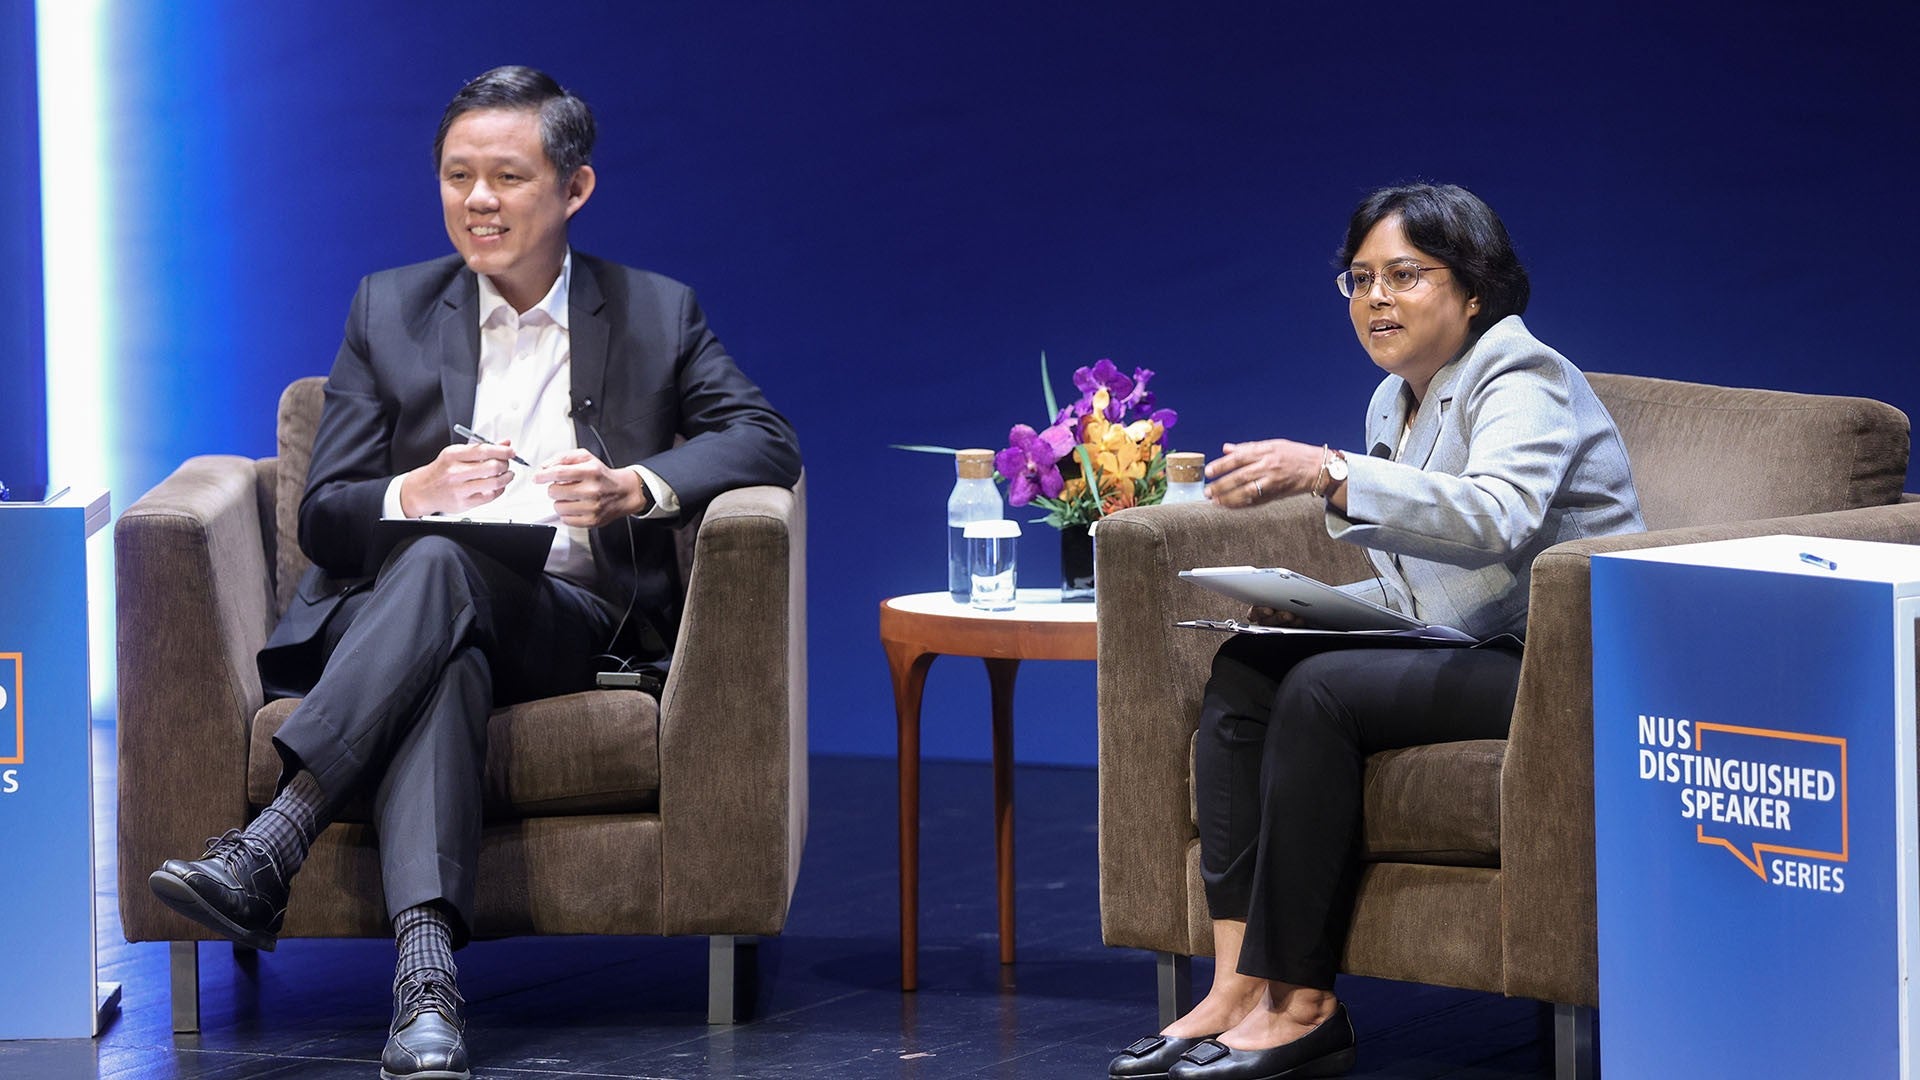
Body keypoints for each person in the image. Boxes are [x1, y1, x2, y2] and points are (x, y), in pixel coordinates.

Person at [148, 66, 801, 1080]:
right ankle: (427, 991)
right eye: (457, 176)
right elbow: (323, 515)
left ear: (574, 189)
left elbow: (766, 441)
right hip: (405, 622)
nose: (479, 201)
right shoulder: (391, 307)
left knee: (450, 572)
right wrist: (415, 491)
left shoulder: (652, 313)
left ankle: (277, 836)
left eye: (506, 176)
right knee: (445, 616)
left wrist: (635, 485)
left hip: (570, 620)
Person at [1107, 183, 1643, 1080]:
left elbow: (1499, 517)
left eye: (1405, 275)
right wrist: (1320, 604)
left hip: (1558, 663)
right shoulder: (1392, 401)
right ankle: (1239, 980)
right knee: (1248, 667)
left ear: (1474, 293)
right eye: (1359, 279)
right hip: (1468, 645)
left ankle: (1305, 1004)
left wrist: (1327, 472)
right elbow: (1429, 578)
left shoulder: (1522, 374)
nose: (1376, 300)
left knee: (1323, 690)